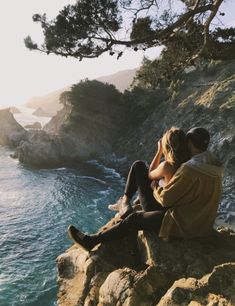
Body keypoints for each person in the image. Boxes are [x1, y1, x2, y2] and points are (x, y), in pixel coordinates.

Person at [68, 127, 191, 251]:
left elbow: (150, 173)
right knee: (139, 166)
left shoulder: (168, 166)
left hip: (161, 209)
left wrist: (159, 151)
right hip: (172, 206)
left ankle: (92, 240)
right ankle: (125, 202)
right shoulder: (189, 164)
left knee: (134, 215)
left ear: (168, 147)